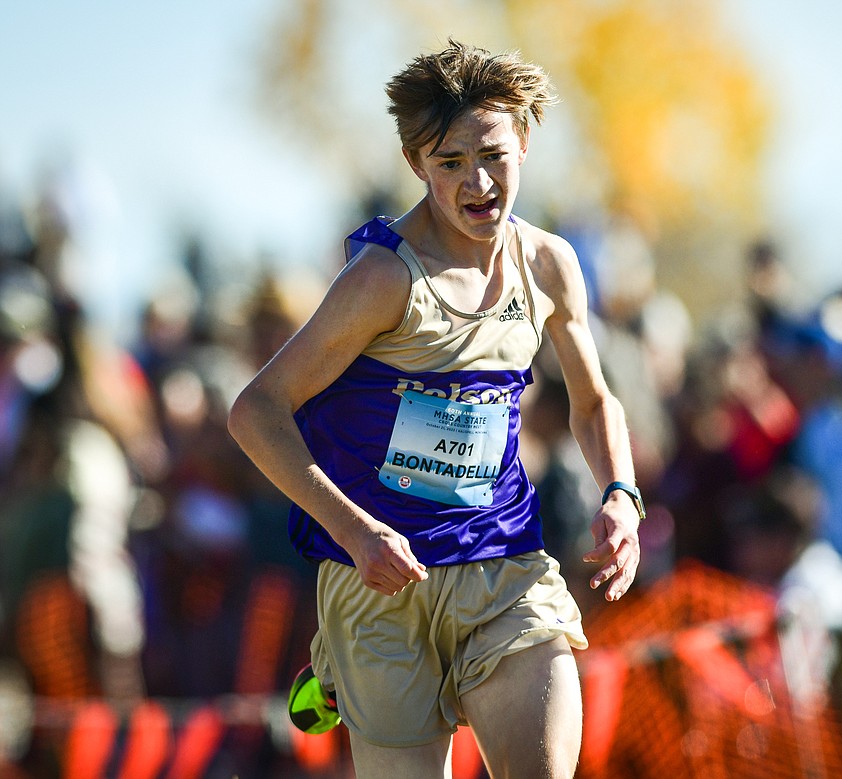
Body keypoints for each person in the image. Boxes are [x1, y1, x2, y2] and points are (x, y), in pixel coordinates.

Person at [228, 40, 643, 778]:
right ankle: (332, 662)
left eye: (492, 155)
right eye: (449, 162)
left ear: (524, 144)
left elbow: (594, 401)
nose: (477, 182)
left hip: (503, 568)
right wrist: (356, 532)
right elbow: (256, 411)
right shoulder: (383, 278)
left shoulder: (548, 264)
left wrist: (621, 493)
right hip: (383, 583)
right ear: (417, 165)